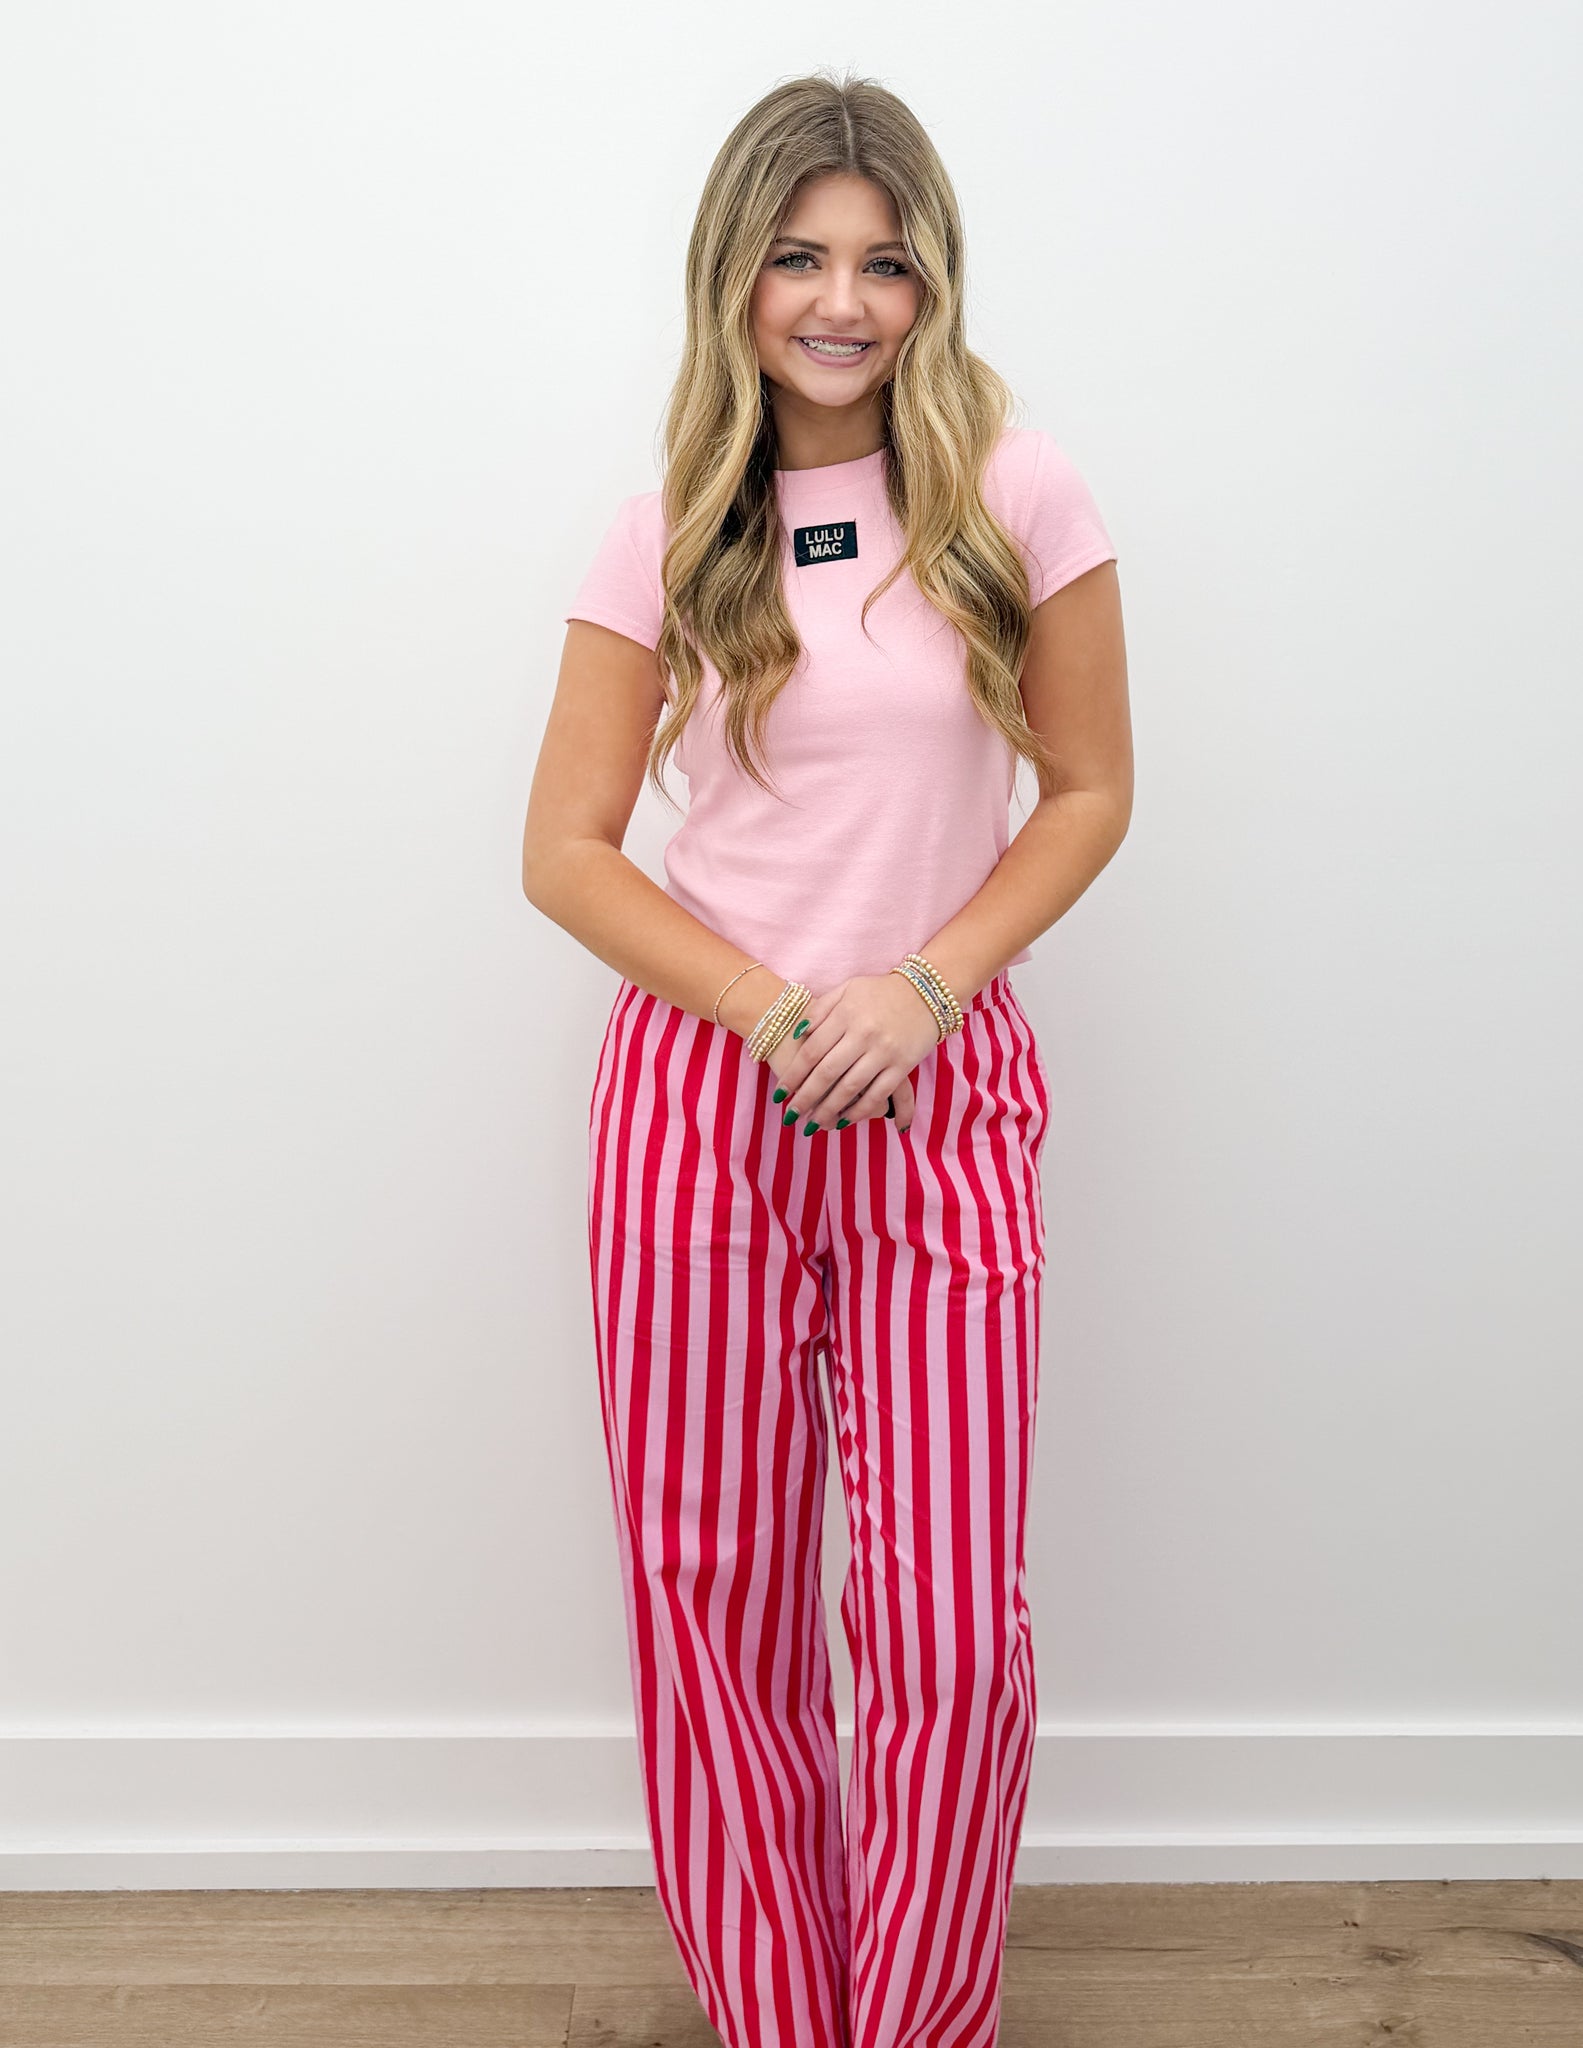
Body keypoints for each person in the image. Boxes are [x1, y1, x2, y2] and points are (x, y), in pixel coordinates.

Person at [522, 68, 1131, 2048]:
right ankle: (783, 2020)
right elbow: (564, 851)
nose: (843, 303)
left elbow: (1090, 792)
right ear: (738, 277)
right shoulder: (663, 535)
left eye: (884, 262)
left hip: (938, 1084)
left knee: (949, 1625)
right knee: (714, 1596)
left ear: (932, 282)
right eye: (800, 257)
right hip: (702, 1095)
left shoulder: (1014, 498)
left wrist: (923, 989)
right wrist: (775, 1009)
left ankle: (920, 2025)